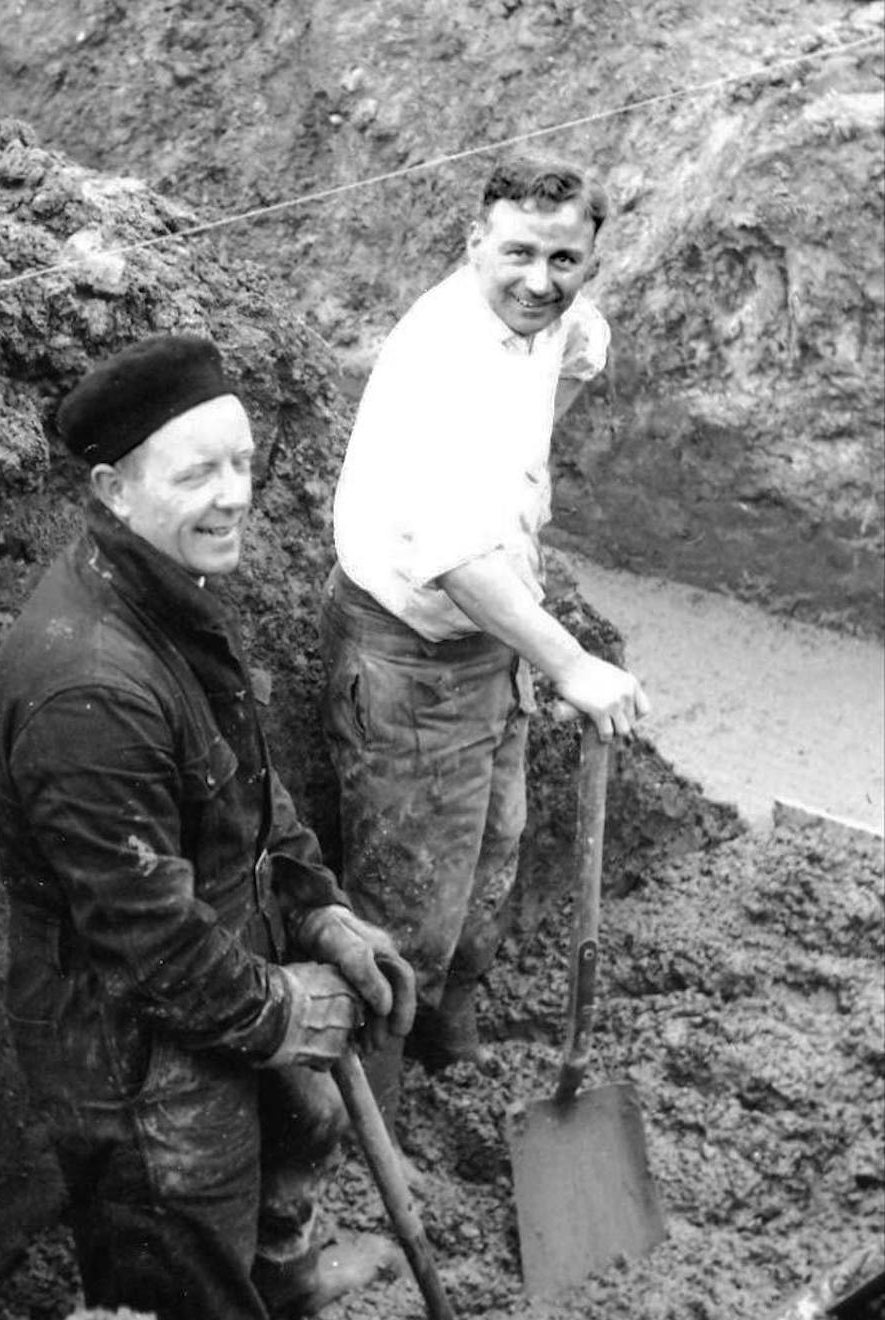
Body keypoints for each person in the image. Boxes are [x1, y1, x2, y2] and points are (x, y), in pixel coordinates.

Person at [0, 334, 417, 1320]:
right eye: (196, 474)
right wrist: (276, 1009)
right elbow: (143, 942)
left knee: (297, 1121)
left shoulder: (174, 594)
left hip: (214, 961)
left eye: (241, 463)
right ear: (114, 487)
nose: (233, 495)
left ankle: (277, 1280)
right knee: (181, 1224)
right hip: (129, 1044)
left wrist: (320, 909)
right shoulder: (89, 687)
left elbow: (250, 789)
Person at [321, 156, 650, 1130]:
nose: (539, 280)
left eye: (564, 257)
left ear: (588, 256)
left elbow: (582, 348)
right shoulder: (440, 361)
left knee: (498, 846)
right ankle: (364, 1117)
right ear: (473, 244)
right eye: (516, 253)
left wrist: (517, 482)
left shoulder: (557, 322)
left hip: (487, 647)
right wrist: (570, 660)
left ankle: (448, 1033)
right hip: (409, 659)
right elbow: (455, 555)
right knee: (405, 904)